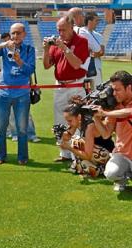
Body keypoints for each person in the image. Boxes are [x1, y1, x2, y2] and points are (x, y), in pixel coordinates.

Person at [0, 23, 35, 165]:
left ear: (24, 34)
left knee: (22, 129)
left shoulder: (29, 50)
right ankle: (0, 155)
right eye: (13, 33)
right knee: (1, 128)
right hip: (3, 93)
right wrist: (3, 45)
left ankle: (22, 157)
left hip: (22, 94)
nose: (15, 36)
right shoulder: (5, 48)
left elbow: (29, 70)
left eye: (18, 33)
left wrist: (19, 61)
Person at [43, 15, 89, 162]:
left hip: (75, 85)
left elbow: (76, 64)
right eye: (58, 30)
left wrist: (64, 48)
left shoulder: (81, 41)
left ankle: (77, 154)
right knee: (60, 120)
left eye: (63, 30)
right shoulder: (56, 43)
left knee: (76, 120)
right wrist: (46, 50)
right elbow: (46, 65)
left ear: (72, 27)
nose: (60, 33)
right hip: (60, 86)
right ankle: (64, 152)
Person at [0, 33, 40, 143]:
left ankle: (31, 134)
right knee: (11, 115)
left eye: (9, 40)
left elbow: (28, 70)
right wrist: (9, 72)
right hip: (8, 88)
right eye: (5, 41)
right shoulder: (2, 53)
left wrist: (32, 84)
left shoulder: (24, 50)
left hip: (23, 87)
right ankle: (15, 133)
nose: (9, 43)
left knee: (26, 114)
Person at [92, 71, 132, 191]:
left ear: (129, 87)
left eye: (118, 90)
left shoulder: (113, 110)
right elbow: (106, 134)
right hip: (123, 154)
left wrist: (105, 113)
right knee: (110, 173)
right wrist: (95, 117)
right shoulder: (115, 107)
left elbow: (129, 112)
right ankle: (122, 179)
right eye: (113, 90)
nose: (114, 94)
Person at [59, 95, 114, 178]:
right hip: (97, 153)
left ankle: (102, 169)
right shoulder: (79, 121)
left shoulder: (89, 126)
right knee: (79, 161)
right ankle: (95, 168)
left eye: (70, 121)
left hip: (107, 154)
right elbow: (67, 137)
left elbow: (87, 155)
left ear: (79, 117)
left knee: (76, 142)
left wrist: (69, 147)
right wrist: (61, 134)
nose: (68, 123)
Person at [79, 12, 105, 88]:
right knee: (87, 91)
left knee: (98, 90)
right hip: (86, 67)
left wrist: (93, 52)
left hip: (97, 67)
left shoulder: (98, 35)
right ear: (89, 21)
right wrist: (93, 53)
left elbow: (101, 51)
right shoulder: (81, 32)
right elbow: (85, 50)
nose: (98, 23)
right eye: (96, 21)